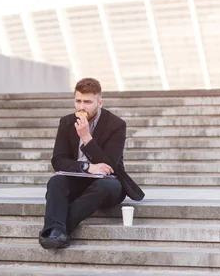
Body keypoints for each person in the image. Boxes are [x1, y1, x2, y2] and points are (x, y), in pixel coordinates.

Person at [39, 77, 145, 249]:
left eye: (87, 102)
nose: (82, 107)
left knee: (104, 186)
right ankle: (57, 231)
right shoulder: (66, 122)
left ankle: (56, 229)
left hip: (109, 182)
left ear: (99, 102)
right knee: (55, 182)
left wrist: (86, 137)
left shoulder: (116, 125)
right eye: (78, 101)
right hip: (78, 177)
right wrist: (87, 167)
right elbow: (58, 161)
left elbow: (109, 164)